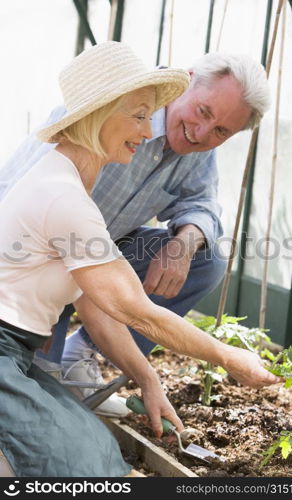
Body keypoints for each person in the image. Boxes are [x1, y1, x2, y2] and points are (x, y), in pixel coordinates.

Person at [0, 50, 274, 420]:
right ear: (189, 80)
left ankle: (81, 355)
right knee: (38, 406)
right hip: (30, 266)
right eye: (204, 112)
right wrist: (222, 355)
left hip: (90, 260)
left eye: (221, 131)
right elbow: (34, 227)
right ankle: (51, 365)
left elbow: (202, 204)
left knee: (205, 258)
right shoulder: (96, 121)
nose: (202, 133)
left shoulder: (193, 146)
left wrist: (184, 242)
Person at [0, 40, 192, 477]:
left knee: (99, 451)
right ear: (100, 114)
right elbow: (133, 308)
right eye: (139, 116)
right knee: (74, 466)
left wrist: (146, 377)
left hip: (15, 352)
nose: (147, 133)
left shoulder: (70, 180)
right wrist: (231, 359)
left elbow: (97, 303)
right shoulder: (62, 195)